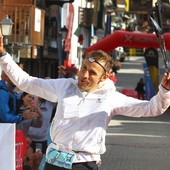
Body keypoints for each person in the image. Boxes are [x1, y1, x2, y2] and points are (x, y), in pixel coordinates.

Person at [0, 33, 170, 170]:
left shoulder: (111, 98)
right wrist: (3, 55)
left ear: (103, 77)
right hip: (55, 162)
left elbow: (151, 108)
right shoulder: (64, 86)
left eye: (92, 73)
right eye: (84, 69)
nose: (85, 75)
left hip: (84, 164)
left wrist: (165, 91)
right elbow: (26, 82)